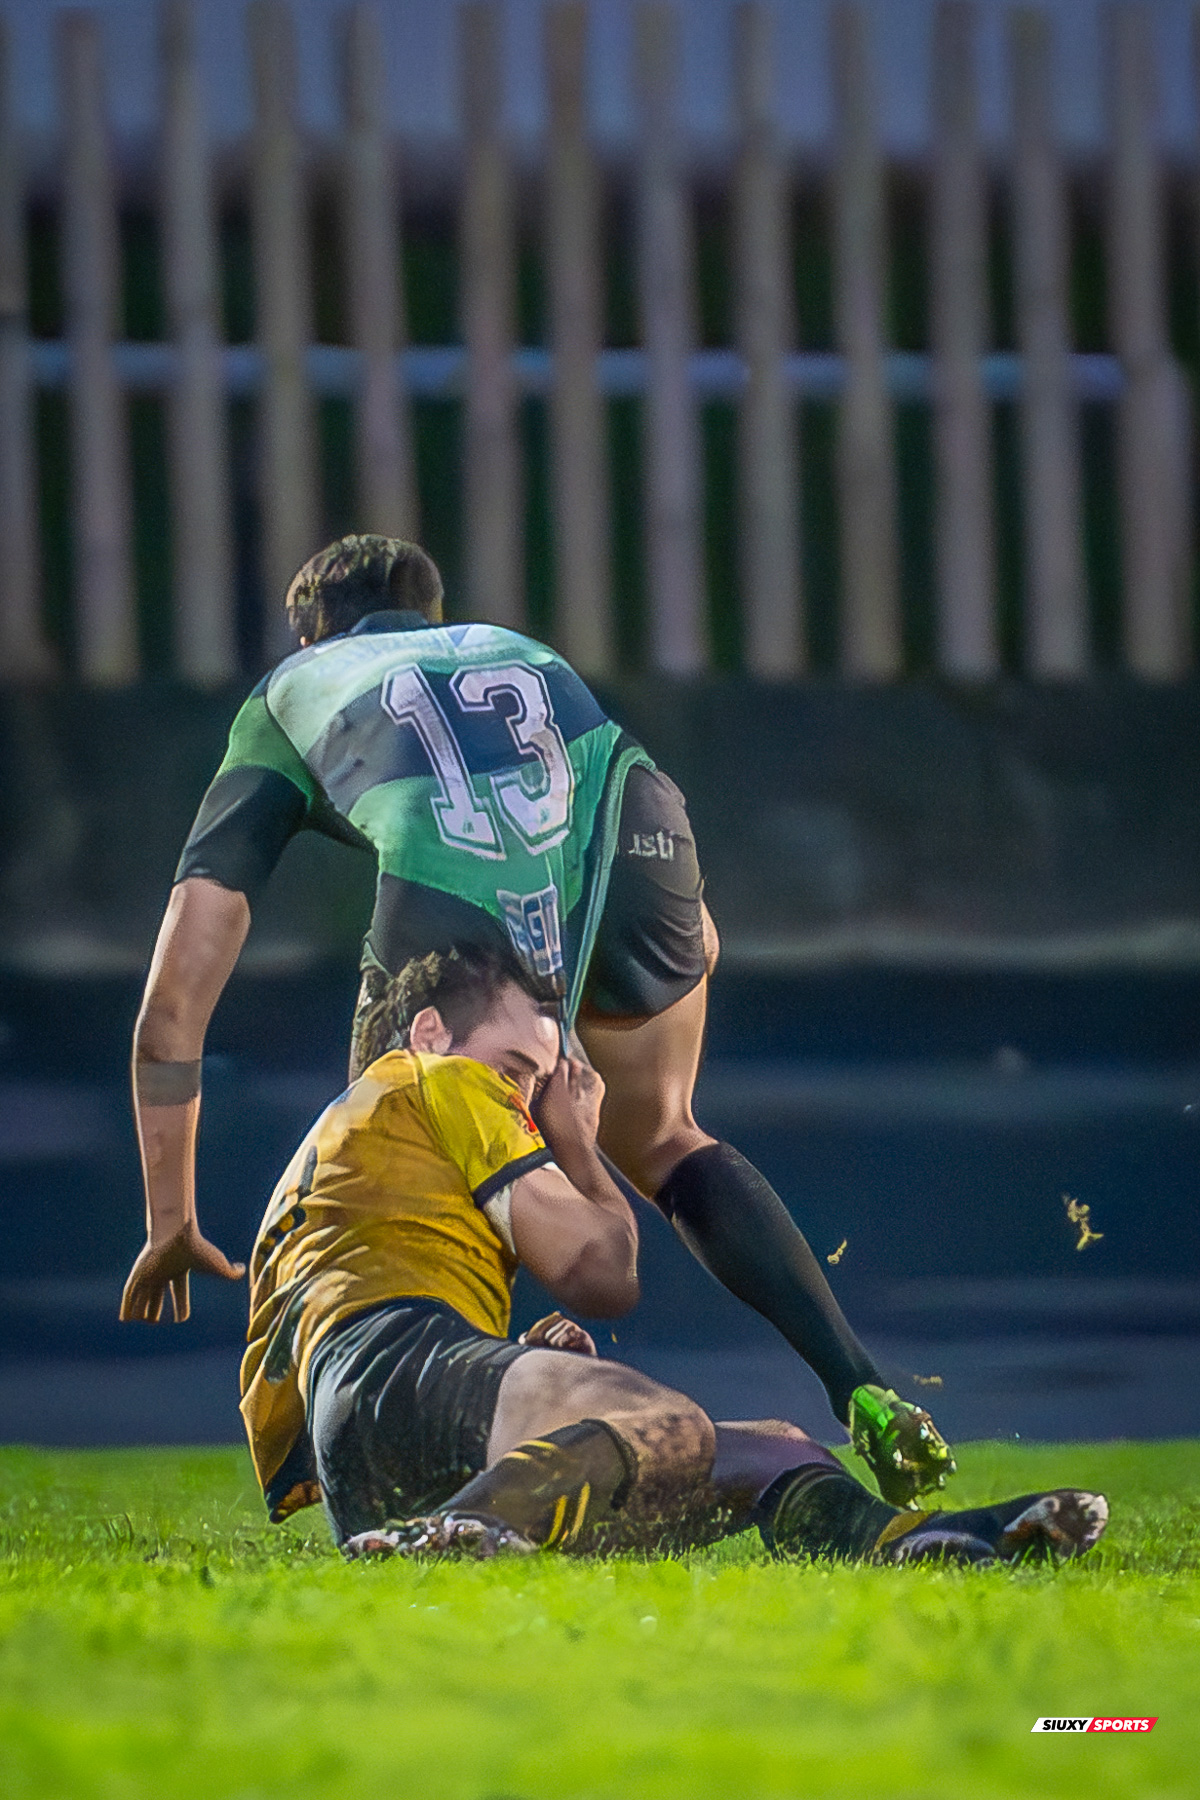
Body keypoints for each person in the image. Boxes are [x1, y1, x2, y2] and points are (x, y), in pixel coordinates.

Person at [123, 533, 952, 1504]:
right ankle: (862, 1387)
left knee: (405, 1161)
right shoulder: (517, 649)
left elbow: (172, 1004)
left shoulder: (292, 690)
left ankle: (447, 1447)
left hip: (452, 884)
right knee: (667, 1135)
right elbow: (700, 938)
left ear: (313, 635)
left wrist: (170, 1221)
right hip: (636, 827)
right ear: (432, 615)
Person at [239, 947, 1107, 1569]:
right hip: (401, 1363)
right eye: (518, 1069)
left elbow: (326, 1346)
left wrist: (511, 1364)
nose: (529, 1099)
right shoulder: (442, 1076)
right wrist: (581, 1145)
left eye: (537, 1081)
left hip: (362, 1429)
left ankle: (915, 1541)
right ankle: (461, 1532)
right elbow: (601, 1274)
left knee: (774, 1448)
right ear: (430, 1028)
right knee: (666, 1423)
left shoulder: (354, 1142)